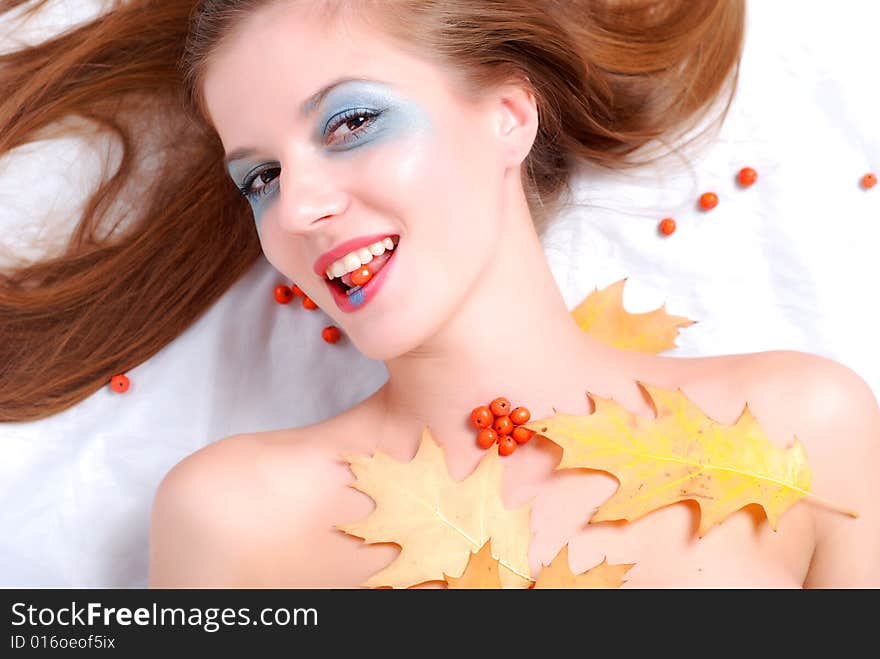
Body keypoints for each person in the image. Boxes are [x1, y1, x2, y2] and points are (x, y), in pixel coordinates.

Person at [2, 0, 877, 587]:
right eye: (261, 176)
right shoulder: (233, 515)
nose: (298, 205)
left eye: (349, 123)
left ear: (508, 117)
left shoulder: (806, 426)